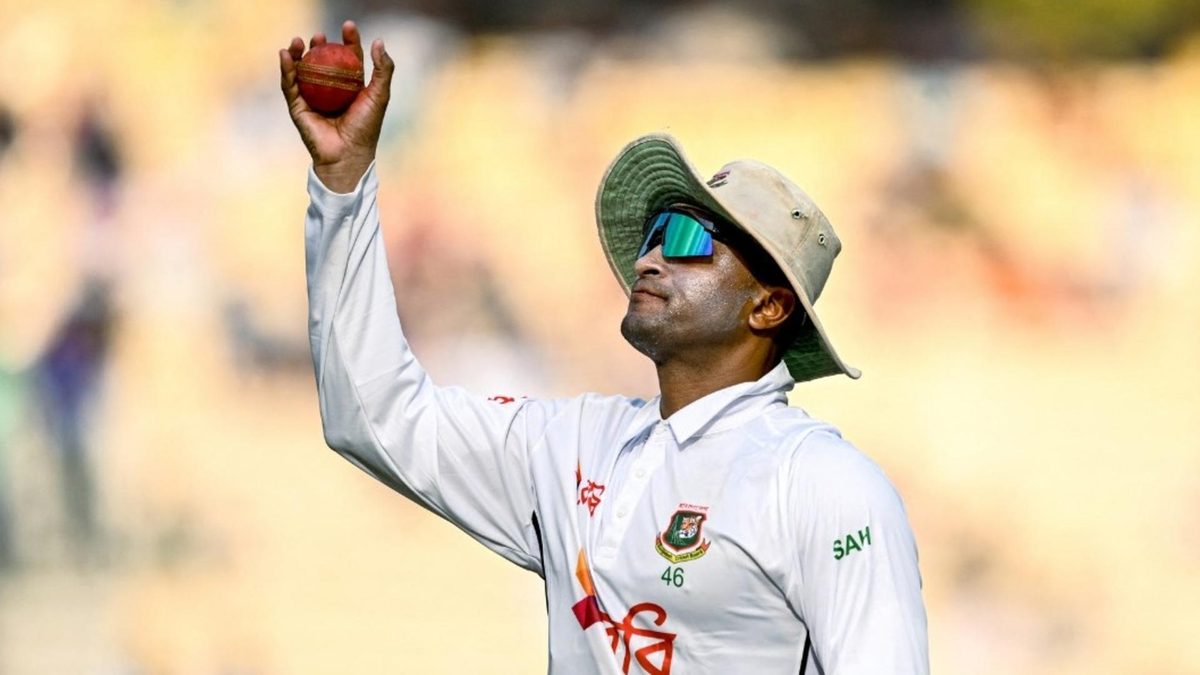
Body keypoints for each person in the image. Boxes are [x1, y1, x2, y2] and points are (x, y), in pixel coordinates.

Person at [281, 21, 928, 675]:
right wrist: (342, 186)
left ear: (769, 305)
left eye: (686, 237)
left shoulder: (827, 485)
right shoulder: (574, 443)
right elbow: (372, 415)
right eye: (653, 231)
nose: (649, 256)